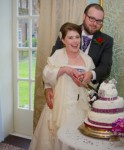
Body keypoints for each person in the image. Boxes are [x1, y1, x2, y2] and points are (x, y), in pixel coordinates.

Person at [29, 22, 95, 150]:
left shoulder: (87, 59)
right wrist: (64, 70)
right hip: (58, 106)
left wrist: (85, 80)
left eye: (77, 37)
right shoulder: (57, 55)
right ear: (63, 40)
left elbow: (91, 85)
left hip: (80, 107)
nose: (75, 41)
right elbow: (46, 75)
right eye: (70, 38)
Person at [45, 3, 114, 109]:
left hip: (86, 98)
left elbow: (106, 68)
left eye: (99, 21)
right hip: (61, 97)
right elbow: (52, 63)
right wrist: (47, 87)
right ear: (84, 16)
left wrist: (91, 74)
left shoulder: (106, 41)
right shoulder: (67, 31)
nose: (94, 23)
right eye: (91, 18)